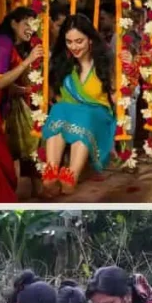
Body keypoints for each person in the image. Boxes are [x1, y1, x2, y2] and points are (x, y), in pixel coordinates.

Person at [40, 14, 118, 196]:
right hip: (66, 114)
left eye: (79, 41)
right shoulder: (63, 64)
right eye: (69, 42)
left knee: (83, 115)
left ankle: (71, 174)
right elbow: (54, 95)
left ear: (90, 39)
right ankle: (51, 171)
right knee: (60, 108)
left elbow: (116, 95)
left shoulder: (105, 63)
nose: (74, 47)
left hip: (97, 116)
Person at [0, 7, 42, 201]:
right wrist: (29, 60)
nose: (30, 28)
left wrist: (22, 91)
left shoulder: (8, 43)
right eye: (26, 23)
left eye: (34, 25)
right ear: (13, 23)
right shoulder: (3, 44)